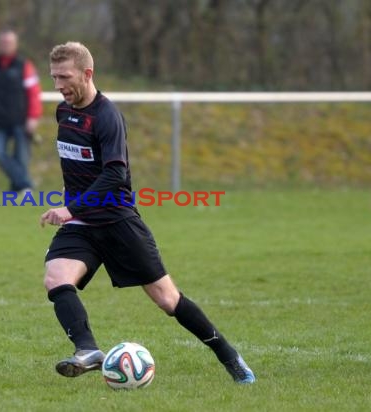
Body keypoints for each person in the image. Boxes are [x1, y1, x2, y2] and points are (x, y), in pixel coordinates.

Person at [40, 42, 256, 384]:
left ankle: (230, 356)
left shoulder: (107, 116)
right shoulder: (63, 112)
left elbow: (116, 175)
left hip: (118, 222)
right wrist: (75, 209)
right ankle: (87, 350)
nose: (57, 85)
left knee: (167, 299)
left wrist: (70, 207)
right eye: (53, 77)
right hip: (82, 224)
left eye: (64, 77)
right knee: (56, 278)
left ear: (87, 73)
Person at [0, 29, 42, 193]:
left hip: (21, 118)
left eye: (9, 42)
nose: (6, 45)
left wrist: (33, 117)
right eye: (3, 42)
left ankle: (17, 189)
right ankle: (25, 184)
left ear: (15, 44)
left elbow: (34, 93)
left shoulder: (24, 65)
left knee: (21, 158)